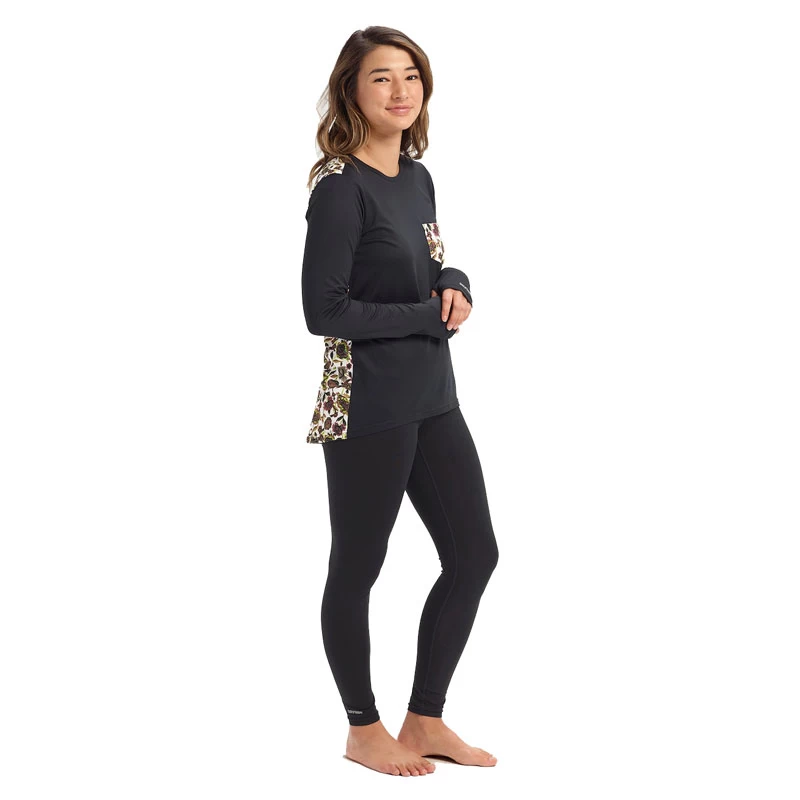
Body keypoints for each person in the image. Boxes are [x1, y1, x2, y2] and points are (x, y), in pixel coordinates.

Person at [301, 26, 500, 777]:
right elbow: (324, 311)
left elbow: (426, 261)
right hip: (366, 402)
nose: (400, 90)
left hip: (432, 393)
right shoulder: (338, 188)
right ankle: (363, 728)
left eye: (411, 75)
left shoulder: (416, 177)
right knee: (358, 567)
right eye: (381, 77)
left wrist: (455, 282)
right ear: (351, 91)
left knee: (474, 553)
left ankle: (424, 719)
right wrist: (425, 314)